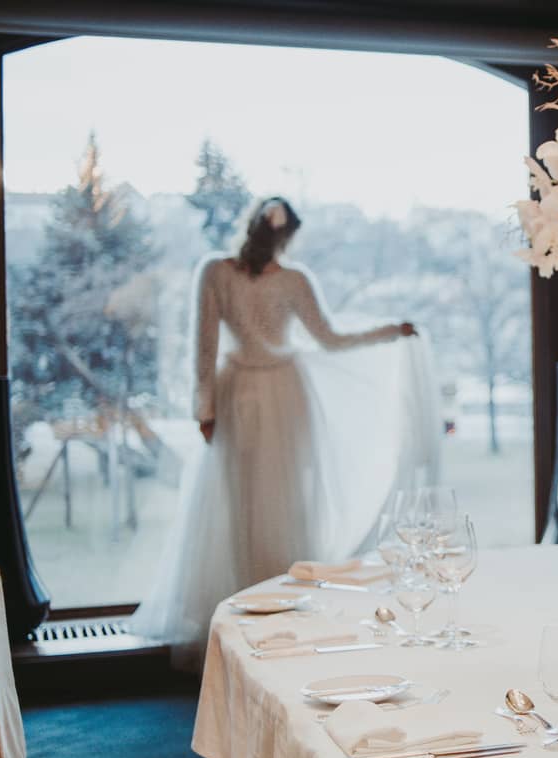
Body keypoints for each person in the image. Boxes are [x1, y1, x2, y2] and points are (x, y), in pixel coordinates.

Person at [133, 197, 439, 666]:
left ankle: (277, 617)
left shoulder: (219, 271)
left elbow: (206, 347)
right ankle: (256, 617)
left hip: (248, 394)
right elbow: (328, 339)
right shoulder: (263, 277)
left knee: (261, 499)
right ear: (286, 235)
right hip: (274, 394)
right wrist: (206, 408)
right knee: (271, 499)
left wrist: (205, 408)